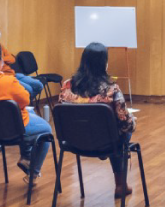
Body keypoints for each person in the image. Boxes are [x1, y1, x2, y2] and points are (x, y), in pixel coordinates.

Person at [59, 42, 137, 198]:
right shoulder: (111, 89)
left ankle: (97, 145)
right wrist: (133, 121)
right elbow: (126, 124)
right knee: (122, 134)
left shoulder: (67, 86)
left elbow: (63, 114)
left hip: (74, 142)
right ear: (104, 63)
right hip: (107, 142)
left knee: (112, 132)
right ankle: (121, 185)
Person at [0, 42, 51, 182]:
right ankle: (33, 172)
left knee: (29, 116)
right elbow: (25, 100)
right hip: (12, 130)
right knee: (46, 131)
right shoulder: (8, 81)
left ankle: (26, 157)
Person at [0, 19, 44, 100]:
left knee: (39, 85)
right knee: (28, 89)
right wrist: (2, 59)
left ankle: (22, 104)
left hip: (12, 73)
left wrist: (2, 58)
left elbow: (12, 59)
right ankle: (21, 106)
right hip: (3, 76)